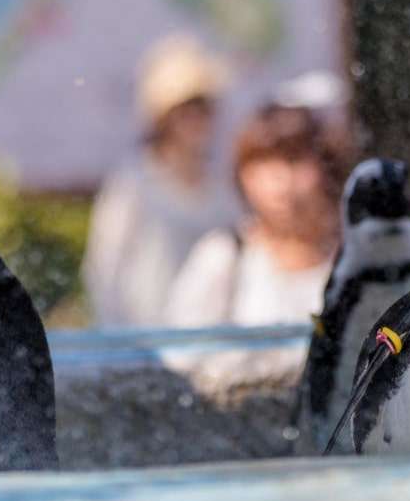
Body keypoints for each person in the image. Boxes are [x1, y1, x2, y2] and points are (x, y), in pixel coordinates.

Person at [83, 34, 240, 326]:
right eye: (186, 110)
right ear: (163, 118)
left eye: (203, 107)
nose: (197, 119)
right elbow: (104, 273)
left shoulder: (225, 185)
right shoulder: (133, 185)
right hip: (146, 346)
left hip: (216, 349)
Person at [165, 103, 349, 327]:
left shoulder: (357, 256)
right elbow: (183, 351)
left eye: (294, 160)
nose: (281, 182)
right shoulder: (224, 255)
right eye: (263, 163)